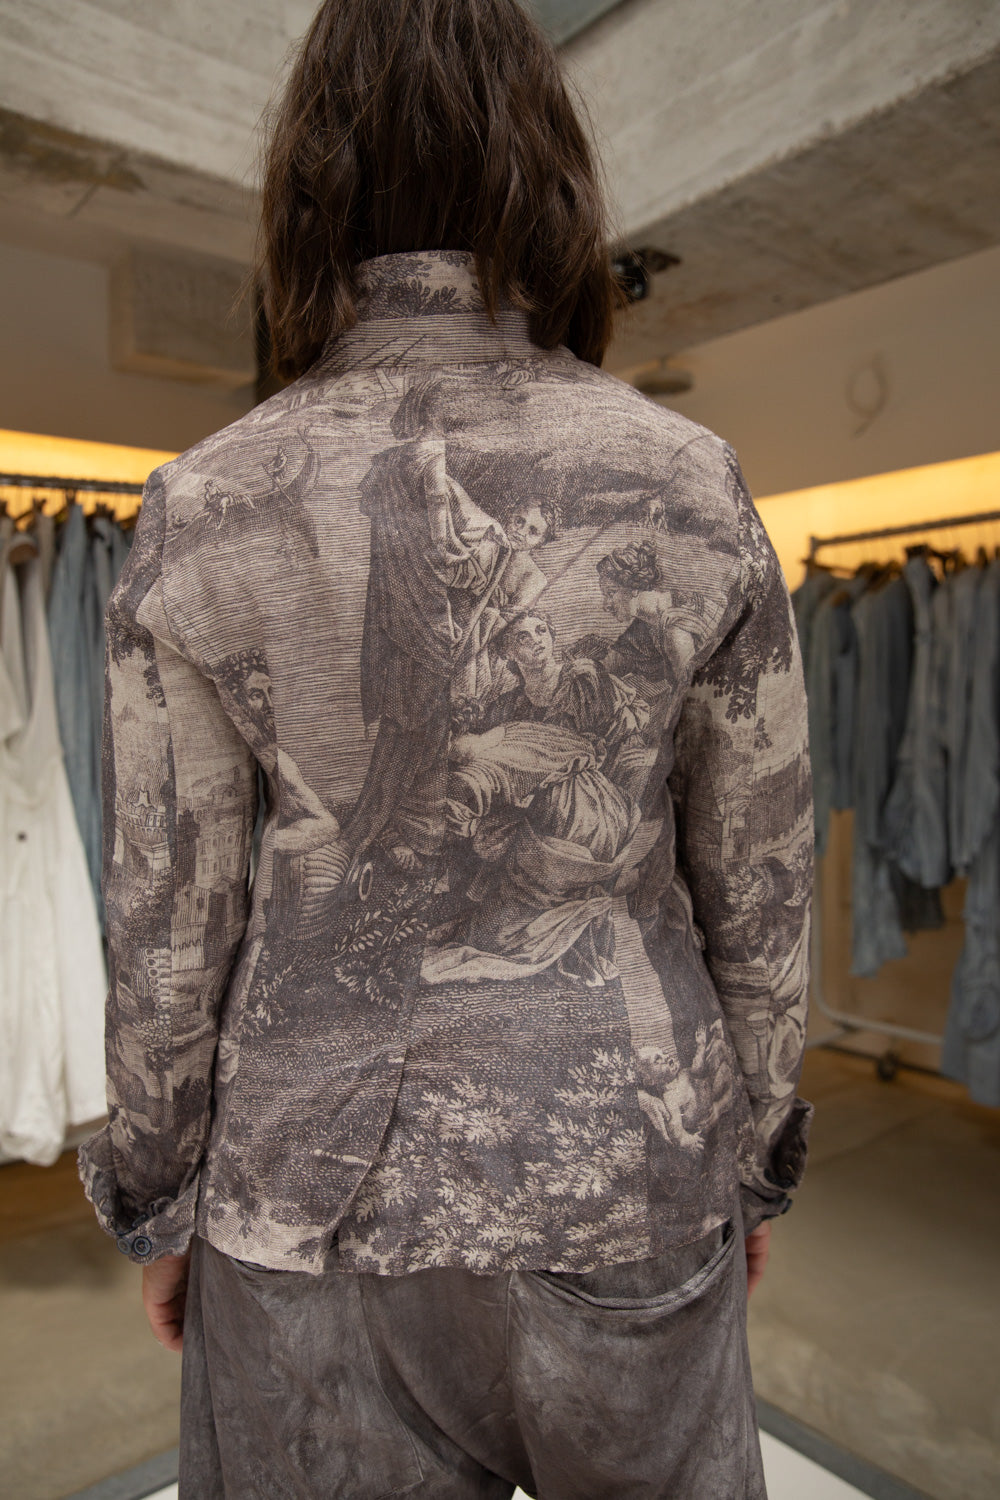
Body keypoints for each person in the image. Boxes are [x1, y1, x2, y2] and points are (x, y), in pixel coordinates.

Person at [79, 1, 813, 1495]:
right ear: (551, 180)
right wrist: (742, 1161)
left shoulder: (207, 501)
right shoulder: (687, 478)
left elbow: (167, 925)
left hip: (308, 1193)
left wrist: (161, 1200)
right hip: (621, 1156)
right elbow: (763, 887)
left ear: (308, 189)